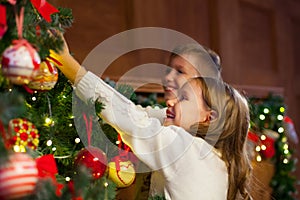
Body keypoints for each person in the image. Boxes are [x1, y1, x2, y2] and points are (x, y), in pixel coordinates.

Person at [55, 38, 252, 199]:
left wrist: (68, 65)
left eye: (183, 98)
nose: (170, 103)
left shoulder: (186, 148)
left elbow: (131, 118)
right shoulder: (212, 155)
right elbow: (141, 114)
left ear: (209, 117)